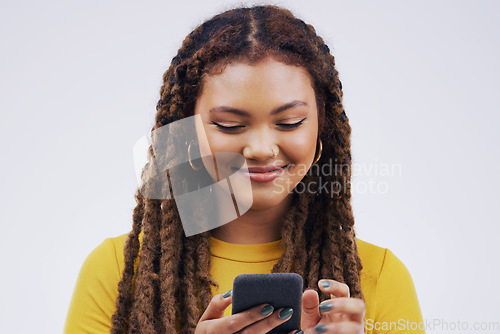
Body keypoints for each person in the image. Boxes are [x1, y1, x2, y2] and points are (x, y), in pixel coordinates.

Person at [64, 4, 425, 334]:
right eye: (230, 125)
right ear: (189, 132)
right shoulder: (116, 272)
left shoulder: (377, 277)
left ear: (322, 128)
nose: (260, 149)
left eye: (289, 122)